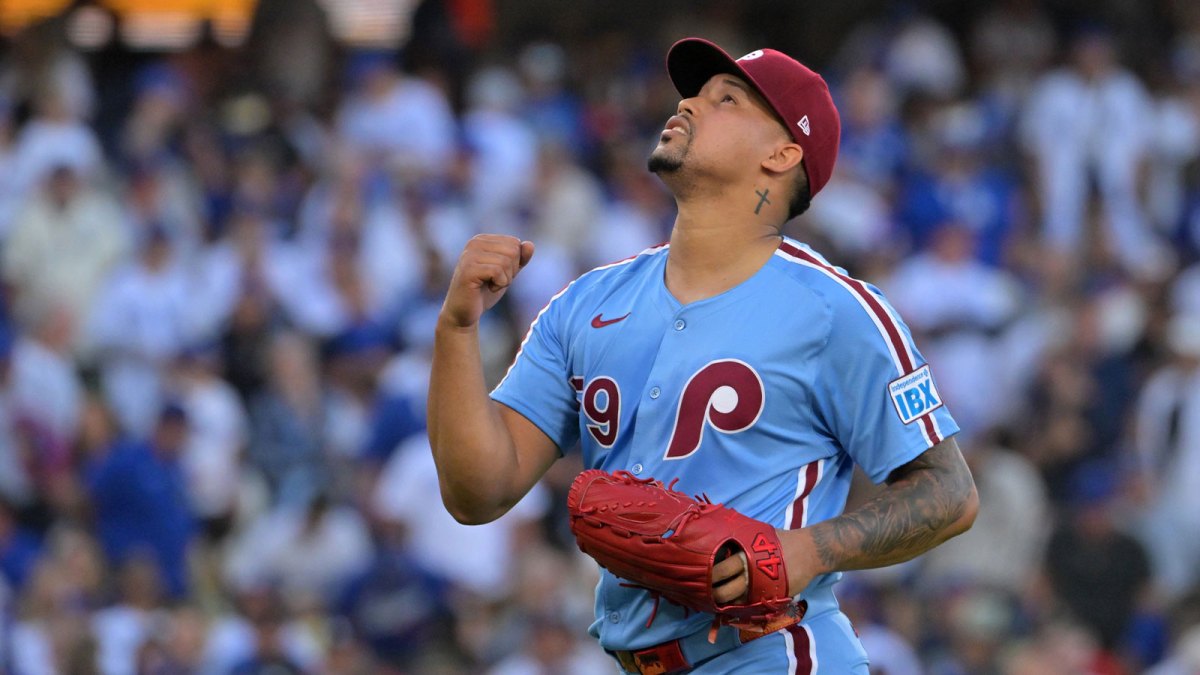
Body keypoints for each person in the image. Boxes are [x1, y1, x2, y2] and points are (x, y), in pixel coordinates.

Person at [429, 37, 978, 674]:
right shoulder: (585, 303)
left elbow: (949, 492)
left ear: (782, 154)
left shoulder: (835, 310)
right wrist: (457, 329)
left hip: (774, 651)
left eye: (726, 99)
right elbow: (478, 493)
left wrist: (808, 549)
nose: (688, 103)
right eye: (693, 92)